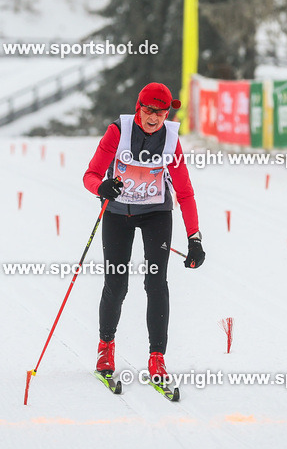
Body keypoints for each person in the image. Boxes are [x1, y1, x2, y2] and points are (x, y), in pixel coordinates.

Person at [83, 82, 205, 386]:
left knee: (155, 282)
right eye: (150, 110)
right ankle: (105, 349)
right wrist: (101, 187)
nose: (155, 118)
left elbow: (185, 192)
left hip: (156, 215)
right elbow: (91, 175)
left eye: (161, 112)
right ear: (139, 107)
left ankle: (157, 358)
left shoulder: (170, 140)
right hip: (117, 215)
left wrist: (195, 238)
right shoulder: (118, 131)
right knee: (117, 282)